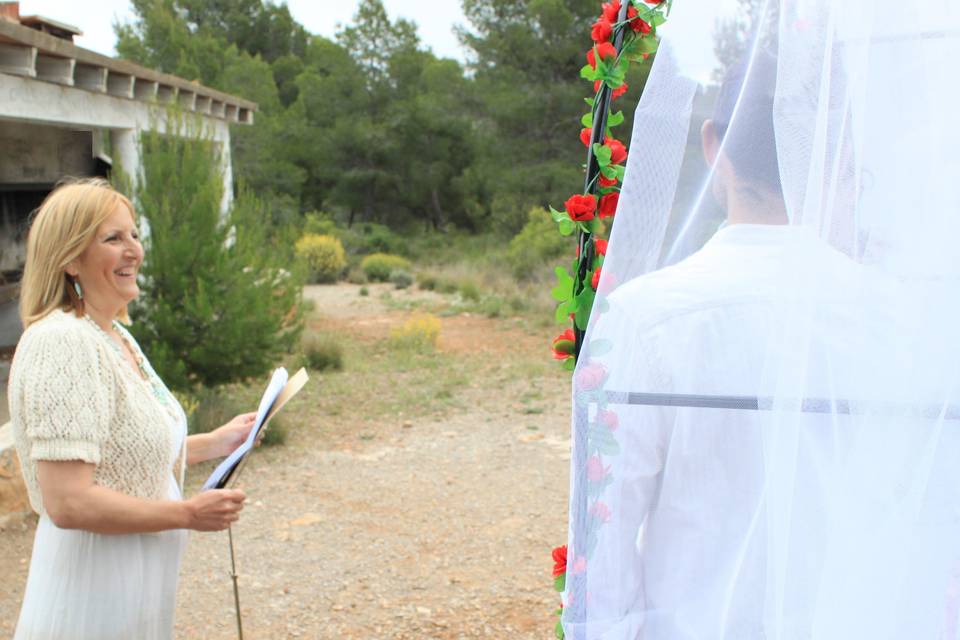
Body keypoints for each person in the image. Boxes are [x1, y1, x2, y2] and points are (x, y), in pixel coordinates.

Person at [8, 178, 256, 640]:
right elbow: (68, 500)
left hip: (135, 577)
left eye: (134, 235)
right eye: (112, 238)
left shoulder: (113, 335)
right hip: (93, 587)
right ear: (69, 258)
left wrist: (217, 442)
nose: (134, 251)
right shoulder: (63, 342)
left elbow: (120, 451)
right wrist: (187, 513)